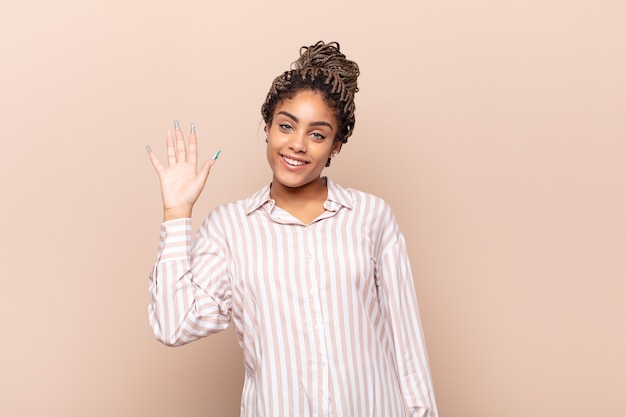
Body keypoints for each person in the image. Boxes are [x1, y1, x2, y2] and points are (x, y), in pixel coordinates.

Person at [146, 41, 438, 417]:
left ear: (335, 146)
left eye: (317, 134)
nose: (297, 145)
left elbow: (407, 341)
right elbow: (173, 326)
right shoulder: (230, 228)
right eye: (286, 126)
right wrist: (177, 211)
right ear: (267, 127)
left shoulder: (370, 215)